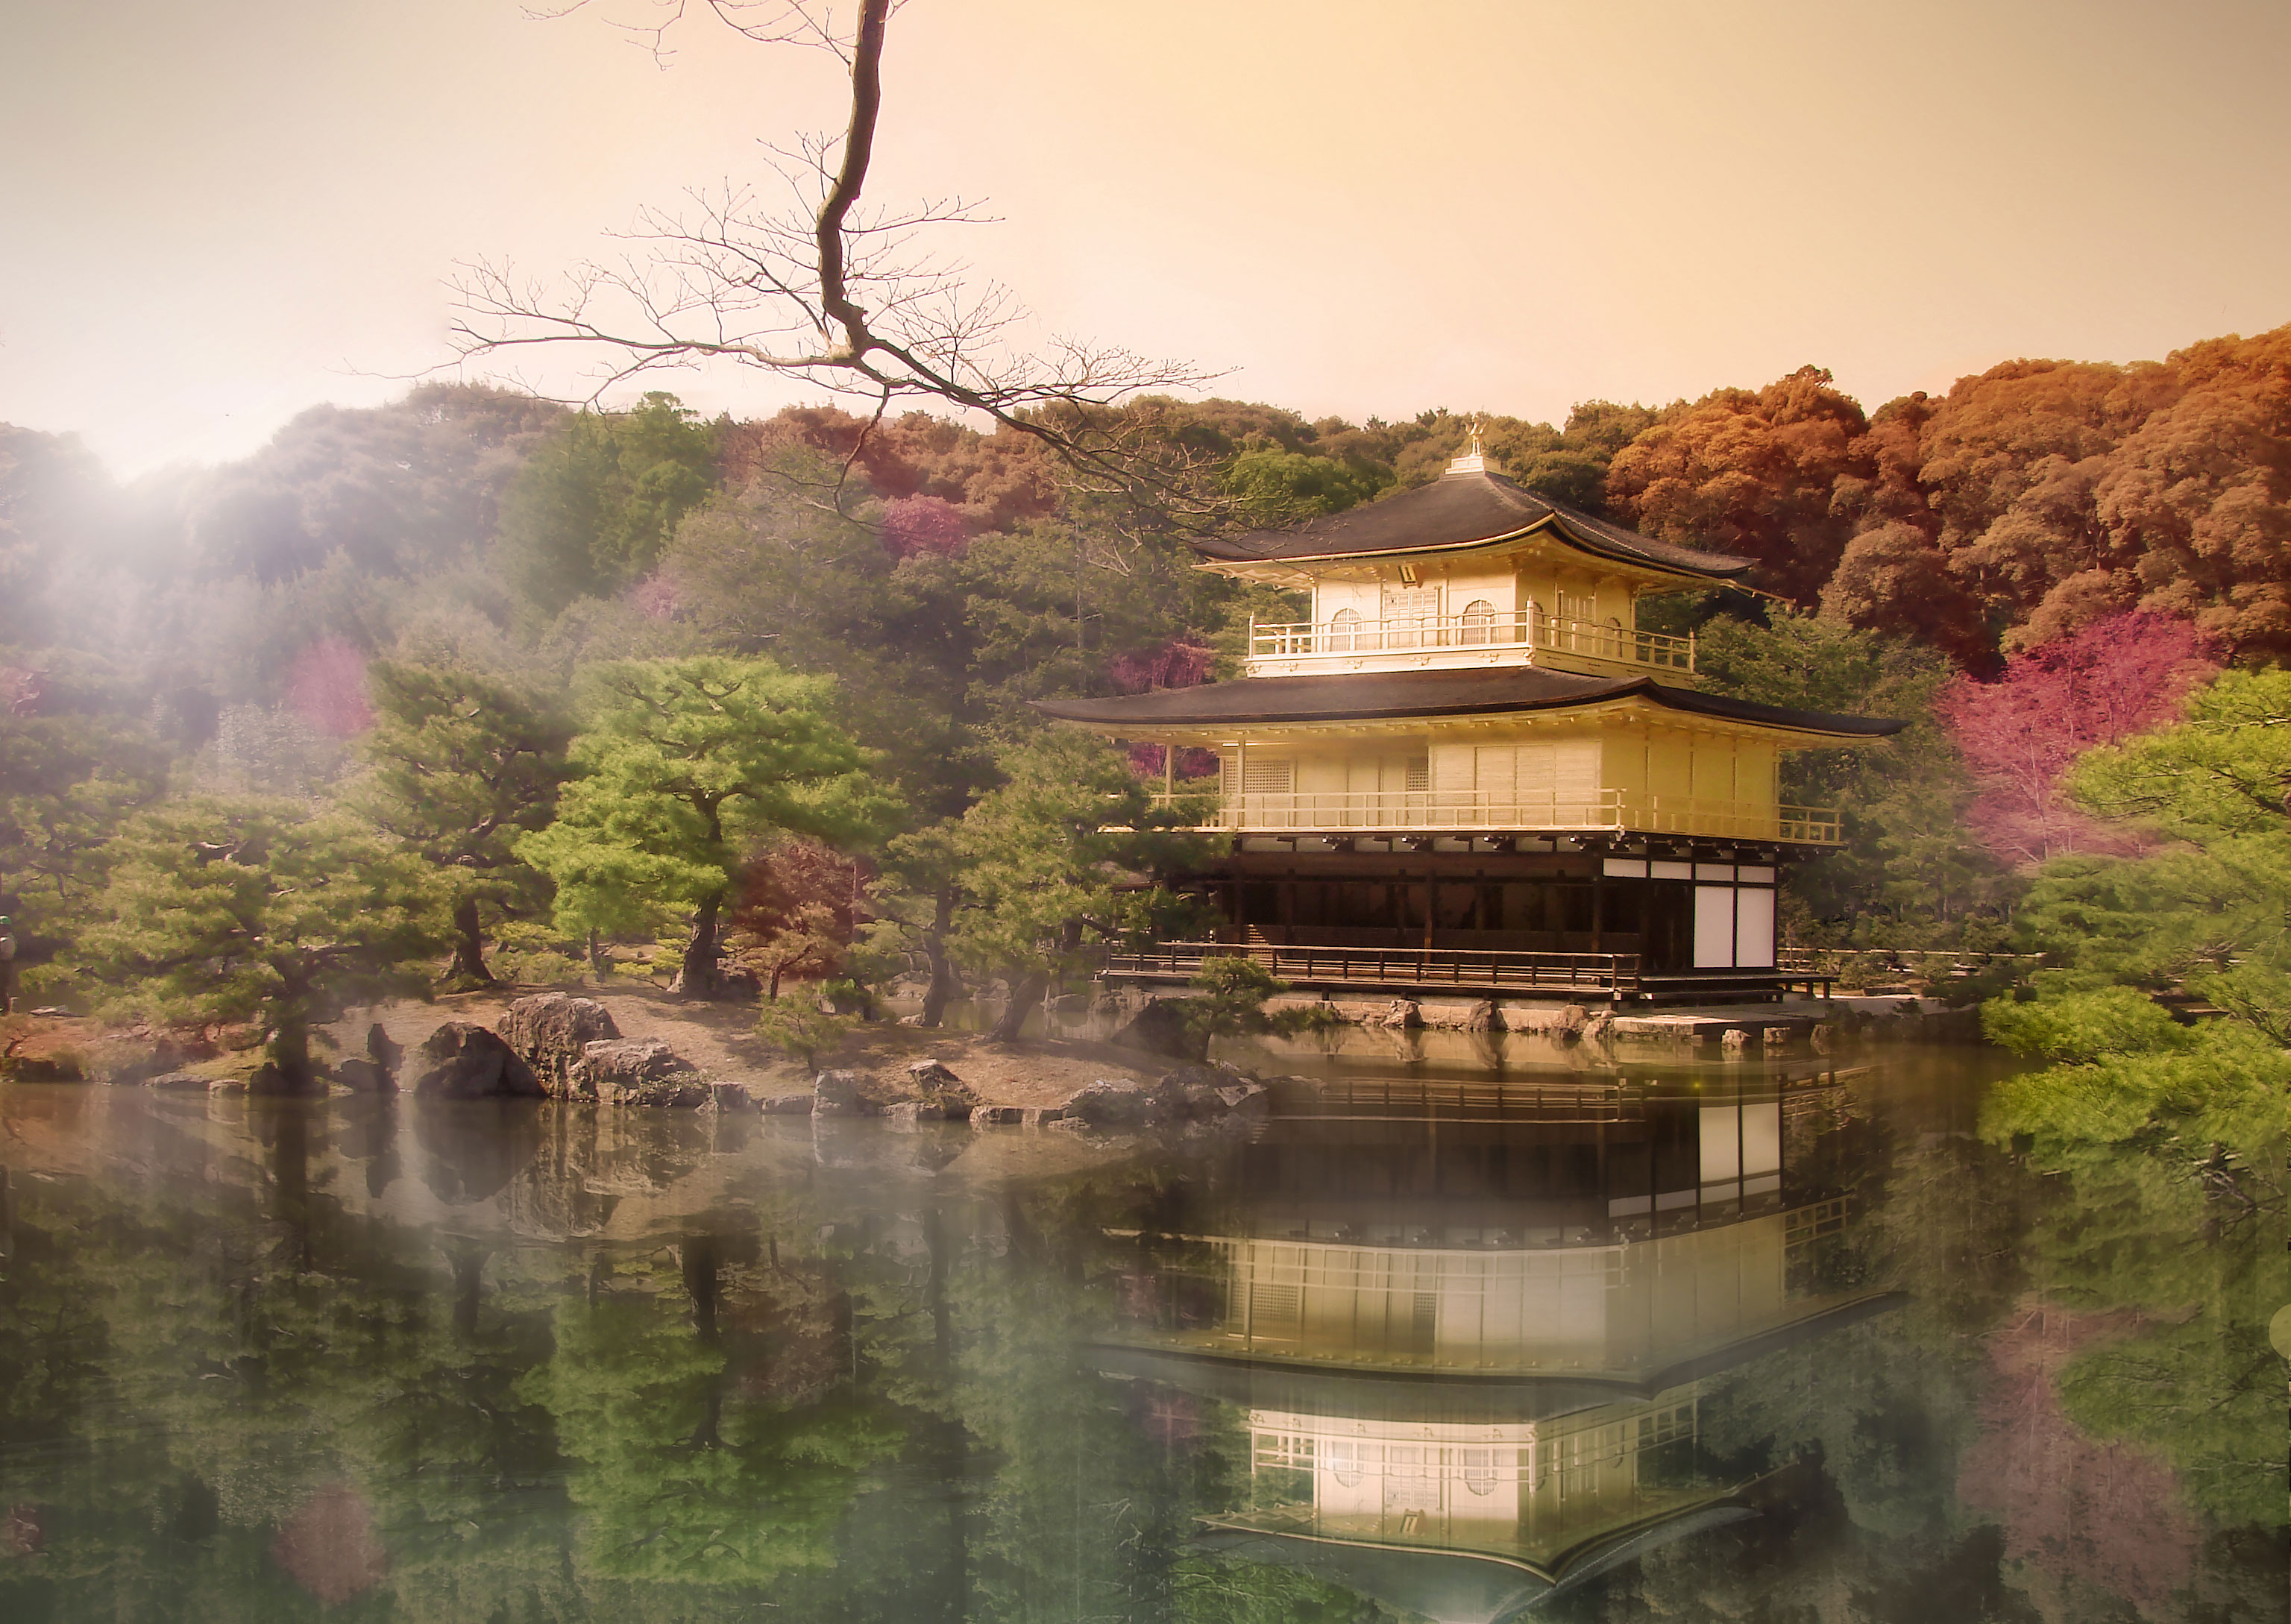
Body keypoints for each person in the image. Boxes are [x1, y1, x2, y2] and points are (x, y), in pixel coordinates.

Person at [0, 916, 16, 1016]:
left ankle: (5, 1010)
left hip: (3, 965)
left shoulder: (7, 940)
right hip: (4, 964)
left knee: (2, 987)